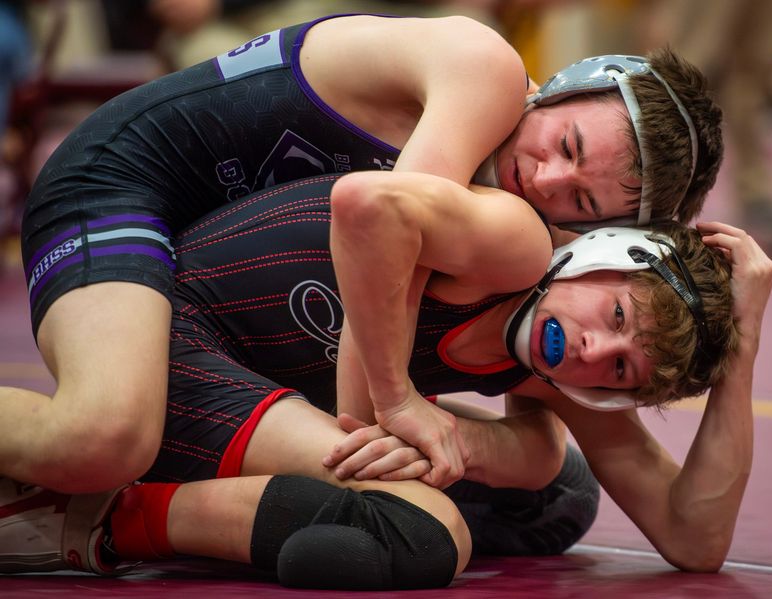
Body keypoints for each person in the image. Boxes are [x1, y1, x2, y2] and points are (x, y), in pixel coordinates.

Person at [8, 13, 723, 493]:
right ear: (567, 84)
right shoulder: (485, 71)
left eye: (586, 202)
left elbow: (689, 536)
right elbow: (377, 235)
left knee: (545, 483)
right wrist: (395, 408)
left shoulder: (539, 230)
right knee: (104, 435)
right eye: (566, 145)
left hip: (199, 249)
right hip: (121, 181)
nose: (547, 179)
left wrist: (735, 335)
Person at [2, 170, 772, 584]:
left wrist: (739, 354)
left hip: (261, 387)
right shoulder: (504, 237)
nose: (587, 349)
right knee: (425, 531)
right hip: (180, 336)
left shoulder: (553, 354)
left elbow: (694, 537)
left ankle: (169, 499)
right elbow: (366, 202)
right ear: (596, 254)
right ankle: (100, 516)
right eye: (611, 313)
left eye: (618, 369)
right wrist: (401, 408)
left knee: (559, 495)